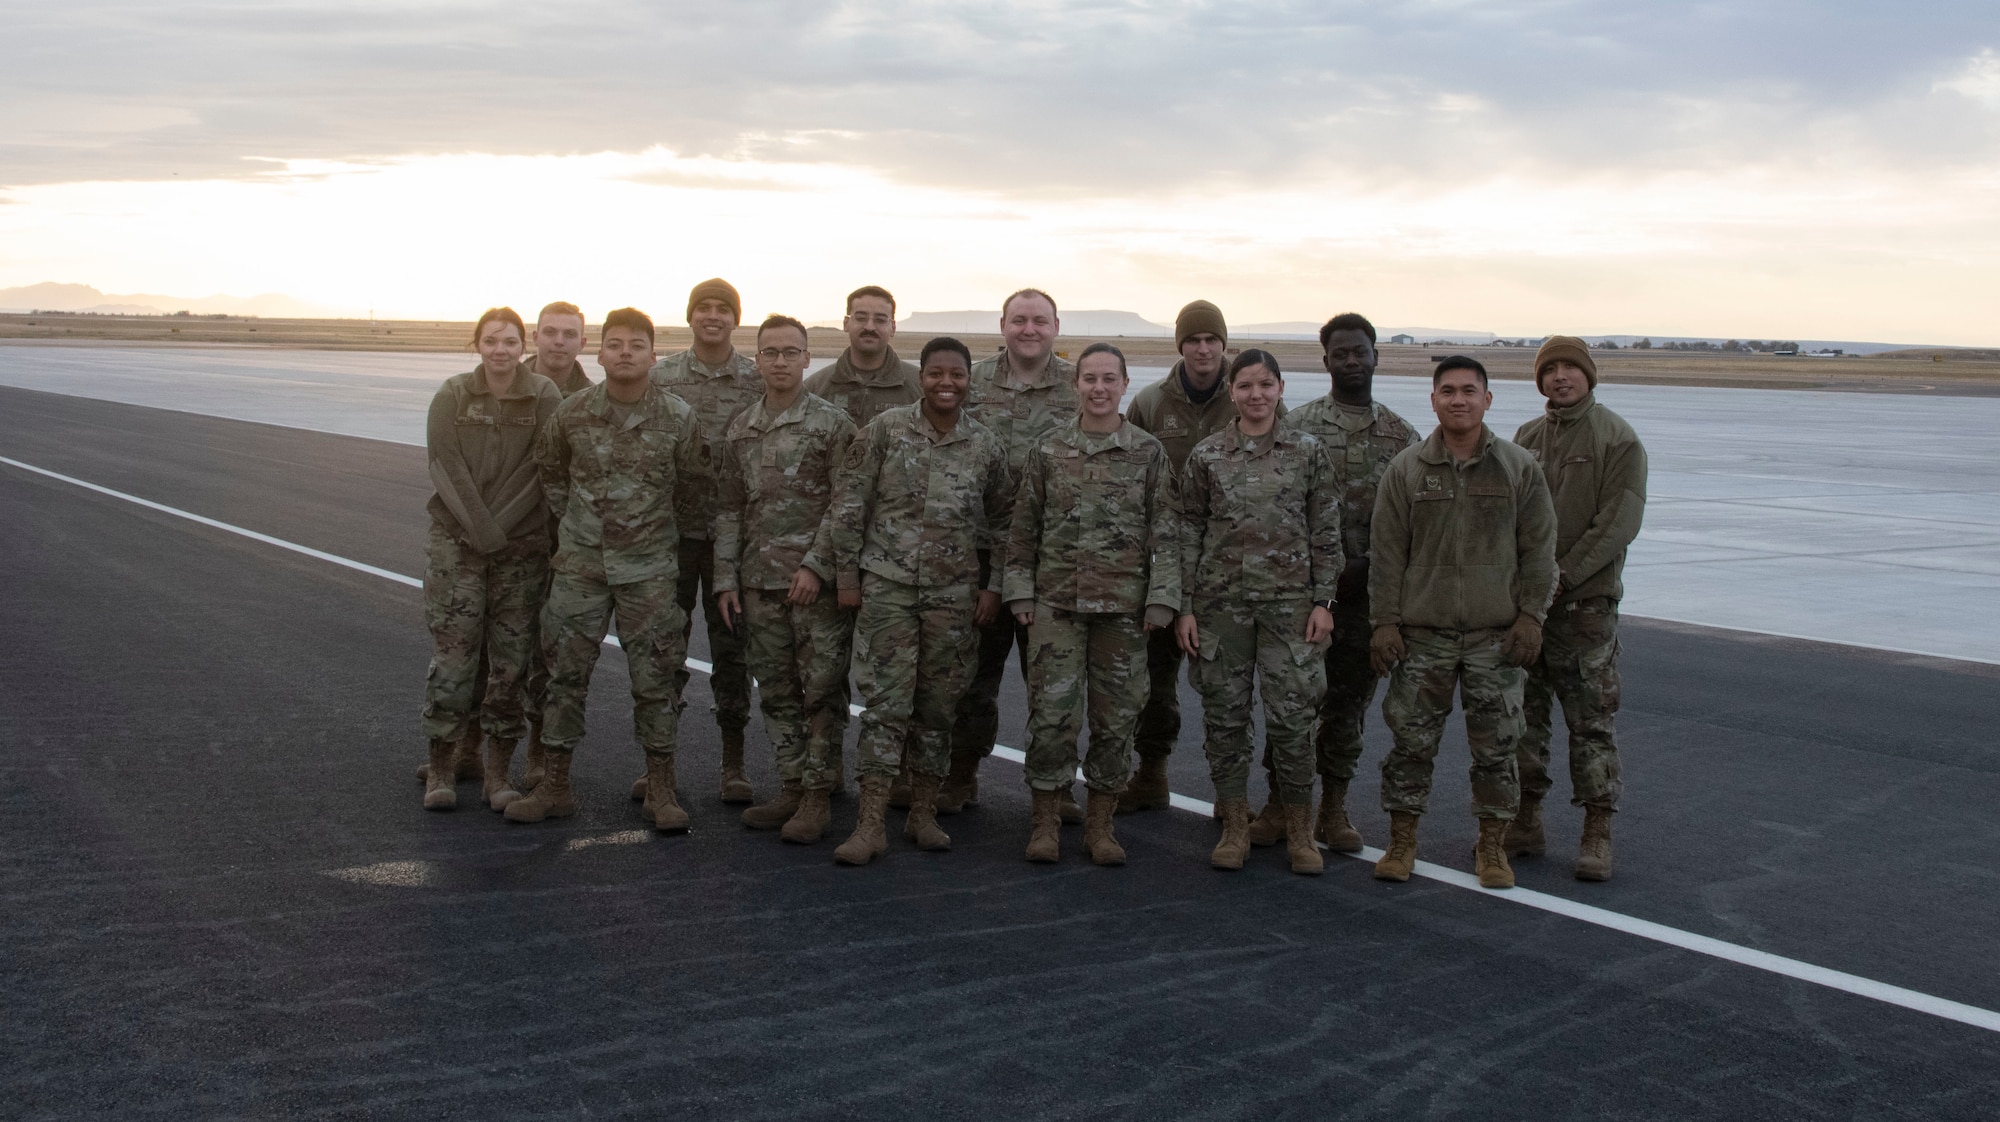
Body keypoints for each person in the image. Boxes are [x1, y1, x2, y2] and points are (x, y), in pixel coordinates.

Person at [505, 308, 710, 830]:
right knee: (562, 677)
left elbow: (691, 488)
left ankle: (661, 791)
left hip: (648, 572)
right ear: (599, 353)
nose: (625, 353)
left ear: (652, 355)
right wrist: (578, 521)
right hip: (580, 569)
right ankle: (554, 785)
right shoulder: (572, 413)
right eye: (615, 344)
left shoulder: (678, 417)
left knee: (657, 681)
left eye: (636, 345)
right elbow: (550, 471)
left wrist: (653, 533)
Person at [1368, 355, 1558, 889]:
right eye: (1447, 391)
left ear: (1487, 399)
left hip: (1494, 637)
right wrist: (1384, 623)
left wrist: (1530, 618)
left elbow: (1540, 550)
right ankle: (1402, 841)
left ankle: (1492, 847)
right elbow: (1386, 553)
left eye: (1469, 390)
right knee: (1410, 745)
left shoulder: (1519, 467)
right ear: (1432, 400)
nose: (1458, 399)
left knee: (1498, 748)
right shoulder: (1406, 469)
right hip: (1422, 636)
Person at [826, 337, 1015, 866]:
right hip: (887, 587)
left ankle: (924, 812)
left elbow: (1003, 522)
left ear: (969, 379)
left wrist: (993, 585)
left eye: (956, 374)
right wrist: (847, 577)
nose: (946, 383)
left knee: (937, 707)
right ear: (922, 376)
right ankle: (870, 822)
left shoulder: (986, 444)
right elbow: (849, 504)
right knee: (886, 706)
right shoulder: (886, 430)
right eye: (935, 373)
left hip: (953, 596)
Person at [1003, 343, 1178, 865]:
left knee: (1116, 719)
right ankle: (1046, 822)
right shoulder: (1049, 449)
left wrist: (1162, 598)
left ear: (1125, 385)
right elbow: (1023, 527)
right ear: (1075, 385)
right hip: (1056, 607)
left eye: (1109, 378)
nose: (1098, 388)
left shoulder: (1148, 452)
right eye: (1089, 379)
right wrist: (1020, 592)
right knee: (1052, 717)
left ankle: (1101, 826)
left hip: (1124, 612)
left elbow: (1166, 530)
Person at [1254, 312, 1417, 852]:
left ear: (1377, 356)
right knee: (1291, 705)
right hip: (1303, 600)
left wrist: (1367, 570)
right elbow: (1275, 511)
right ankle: (1280, 805)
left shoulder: (1401, 438)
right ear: (1325, 361)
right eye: (1340, 353)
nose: (1351, 361)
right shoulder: (1296, 428)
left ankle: (1334, 809)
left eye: (1360, 351)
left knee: (1348, 708)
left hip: (1366, 602)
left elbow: (1413, 523)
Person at [1176, 350, 1341, 876]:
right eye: (1245, 385)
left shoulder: (1308, 452)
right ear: (1231, 391)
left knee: (1293, 721)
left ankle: (1299, 829)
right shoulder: (1206, 456)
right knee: (1225, 719)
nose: (1256, 395)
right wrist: (1184, 607)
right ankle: (1234, 826)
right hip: (1221, 607)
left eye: (1265, 385)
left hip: (1291, 610)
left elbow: (1326, 530)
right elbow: (1189, 531)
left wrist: (1324, 602)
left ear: (1280, 387)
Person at [1118, 299, 1280, 814]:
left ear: (1224, 344)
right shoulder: (1150, 403)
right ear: (1180, 346)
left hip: (1235, 568)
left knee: (1233, 688)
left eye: (1212, 339)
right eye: (1193, 340)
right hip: (1164, 560)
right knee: (1154, 678)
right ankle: (1152, 771)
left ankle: (1236, 798)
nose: (1203, 348)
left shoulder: (1250, 394)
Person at [713, 315, 859, 844]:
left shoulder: (832, 425)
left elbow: (847, 505)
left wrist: (816, 566)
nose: (779, 361)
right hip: (758, 584)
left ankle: (819, 796)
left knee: (821, 691)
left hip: (812, 586)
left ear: (806, 359)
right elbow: (729, 507)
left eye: (790, 352)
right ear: (757, 359)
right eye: (770, 352)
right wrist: (725, 579)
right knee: (776, 691)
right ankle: (794, 786)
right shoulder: (741, 427)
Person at [1511, 336, 1647, 881]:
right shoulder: (1525, 438)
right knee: (1523, 719)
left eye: (1570, 368)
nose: (1560, 377)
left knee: (1591, 723)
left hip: (1584, 609)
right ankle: (1525, 818)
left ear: (1589, 375)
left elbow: (1619, 521)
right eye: (1550, 370)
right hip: (1529, 612)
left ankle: (1597, 829)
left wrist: (1560, 577)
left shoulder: (1617, 439)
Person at [418, 307, 562, 812]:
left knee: (510, 667)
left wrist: (497, 531)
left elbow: (540, 466)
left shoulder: (543, 395)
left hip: (520, 552)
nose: (500, 350)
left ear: (524, 346)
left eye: (510, 341)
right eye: (491, 341)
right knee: (454, 663)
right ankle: (442, 766)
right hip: (457, 548)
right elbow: (444, 464)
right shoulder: (453, 395)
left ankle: (498, 772)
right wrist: (480, 530)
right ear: (476, 345)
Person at [948, 288, 1079, 819]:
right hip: (976, 555)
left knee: (1052, 683)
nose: (1030, 330)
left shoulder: (1079, 387)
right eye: (1019, 320)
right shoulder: (969, 382)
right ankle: (960, 774)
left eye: (1040, 321)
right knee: (971, 676)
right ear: (1002, 324)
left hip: (1052, 560)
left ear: (1055, 327)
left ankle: (1055, 787)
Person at [646, 279, 762, 806]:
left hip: (731, 542)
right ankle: (658, 766)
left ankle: (732, 765)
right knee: (663, 652)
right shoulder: (661, 375)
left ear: (736, 319)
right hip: (671, 537)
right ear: (690, 316)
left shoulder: (757, 381)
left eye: (723, 309)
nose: (712, 316)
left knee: (732, 654)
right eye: (703, 309)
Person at [802, 286, 922, 427]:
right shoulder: (815, 388)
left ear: (893, 328)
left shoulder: (920, 388)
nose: (870, 327)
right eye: (860, 318)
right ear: (846, 323)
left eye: (880, 320)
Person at [526, 301, 593, 396]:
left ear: (582, 344)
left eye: (570, 334)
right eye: (550, 332)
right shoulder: (504, 387)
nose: (559, 341)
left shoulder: (594, 400)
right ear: (535, 338)